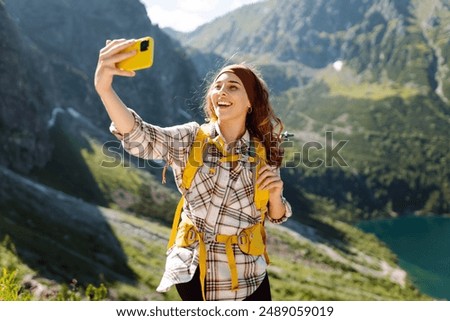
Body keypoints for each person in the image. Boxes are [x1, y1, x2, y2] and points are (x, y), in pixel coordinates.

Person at [94, 39, 292, 301]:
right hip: (194, 270)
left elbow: (275, 216)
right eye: (217, 86)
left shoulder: (263, 153)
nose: (221, 91)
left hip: (249, 276)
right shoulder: (190, 138)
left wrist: (276, 197)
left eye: (233, 87)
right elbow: (141, 137)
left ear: (250, 103)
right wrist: (105, 89)